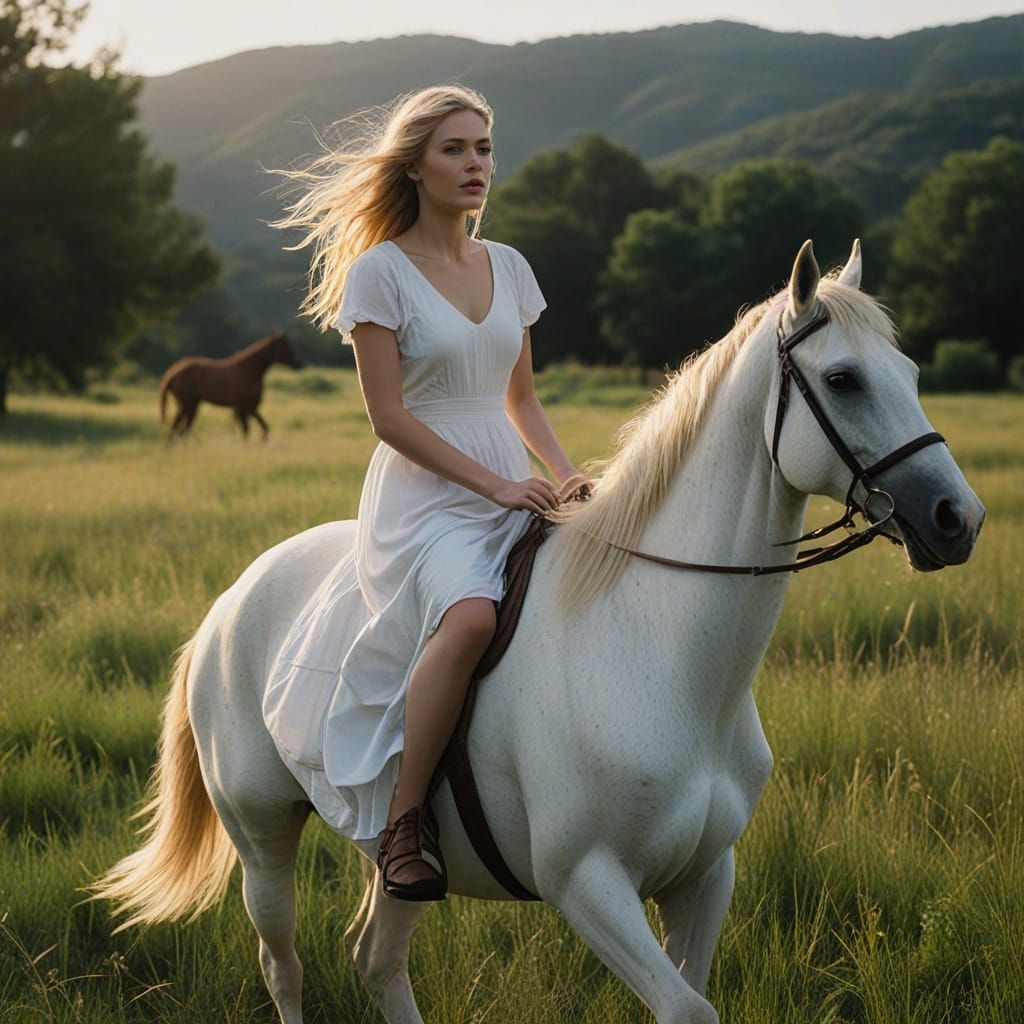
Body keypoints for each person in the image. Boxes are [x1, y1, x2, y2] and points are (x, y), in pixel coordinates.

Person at [269, 84, 592, 902]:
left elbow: (520, 400)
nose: (476, 164)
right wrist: (496, 485)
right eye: (454, 149)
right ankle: (407, 823)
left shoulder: (510, 266)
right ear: (414, 167)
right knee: (474, 615)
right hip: (426, 495)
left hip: (510, 480)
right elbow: (388, 418)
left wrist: (563, 476)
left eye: (483, 148)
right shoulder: (380, 274)